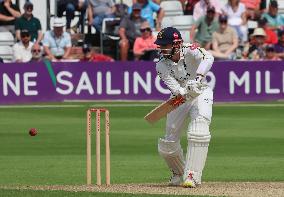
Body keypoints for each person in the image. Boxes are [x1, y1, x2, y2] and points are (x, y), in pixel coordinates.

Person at [154, 27, 214, 187]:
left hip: (201, 92)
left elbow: (209, 58)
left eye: (165, 45)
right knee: (168, 142)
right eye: (160, 45)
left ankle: (192, 175)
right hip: (179, 98)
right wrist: (185, 91)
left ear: (177, 44)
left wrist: (198, 80)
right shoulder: (161, 66)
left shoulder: (190, 50)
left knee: (199, 130)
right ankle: (178, 172)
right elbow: (176, 90)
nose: (161, 48)